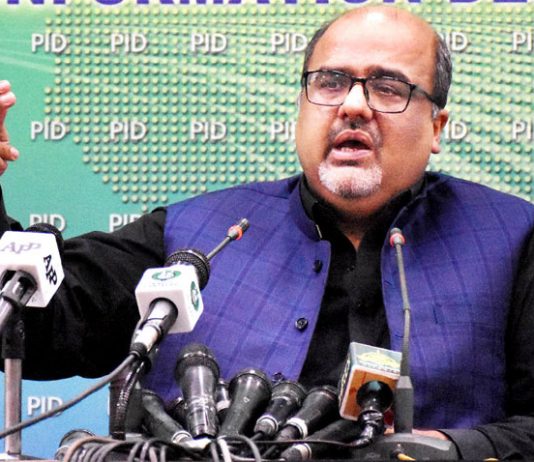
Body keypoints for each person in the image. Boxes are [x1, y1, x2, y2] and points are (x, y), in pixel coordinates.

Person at [1, 5, 534, 460]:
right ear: (302, 107)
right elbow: (30, 322)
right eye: (330, 82)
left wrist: (457, 448)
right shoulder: (196, 234)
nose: (353, 105)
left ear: (436, 127)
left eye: (388, 87)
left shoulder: (513, 238)